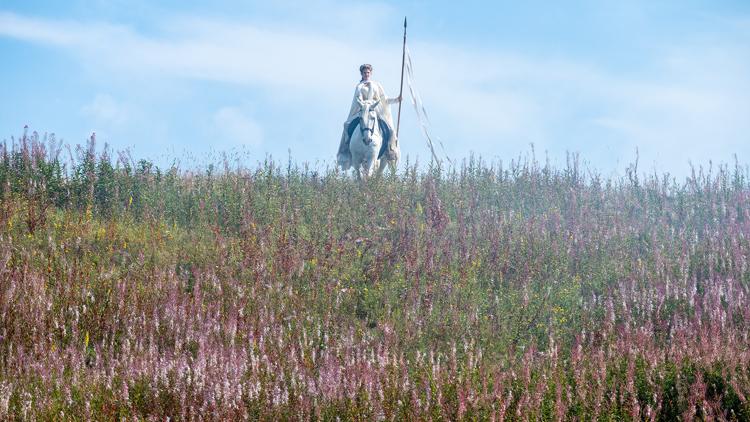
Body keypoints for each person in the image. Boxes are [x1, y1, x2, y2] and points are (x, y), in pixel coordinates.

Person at [337, 64, 401, 170]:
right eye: (364, 72)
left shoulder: (376, 85)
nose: (366, 74)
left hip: (375, 111)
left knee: (390, 129)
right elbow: (357, 100)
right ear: (361, 74)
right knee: (347, 125)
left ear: (370, 73)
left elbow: (383, 99)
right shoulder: (359, 87)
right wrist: (364, 105)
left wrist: (396, 100)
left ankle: (390, 150)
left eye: (368, 72)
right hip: (362, 111)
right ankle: (347, 150)